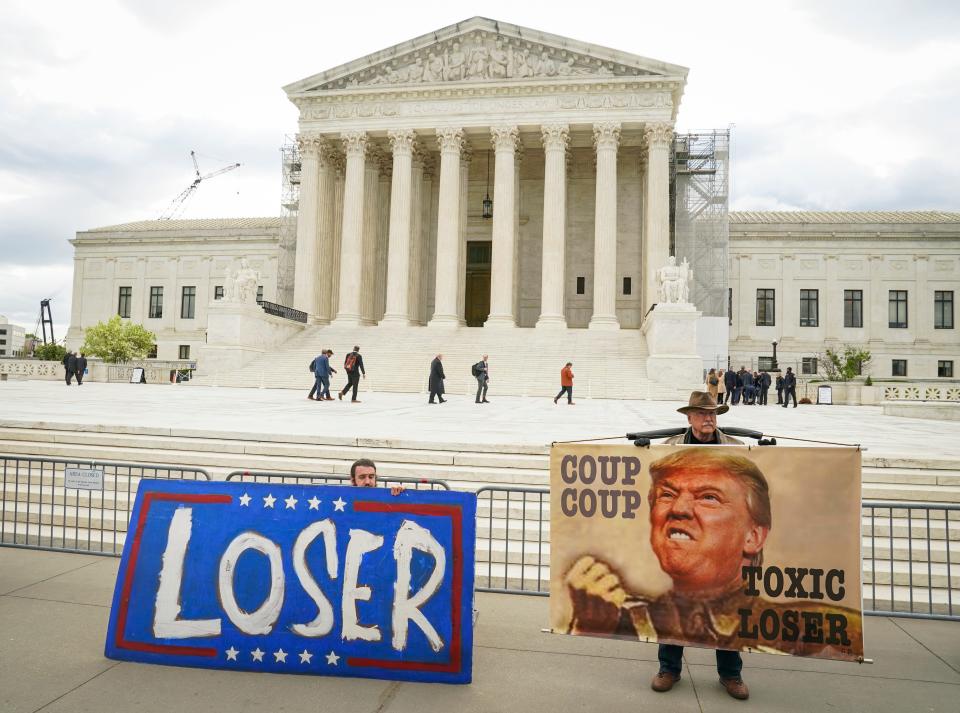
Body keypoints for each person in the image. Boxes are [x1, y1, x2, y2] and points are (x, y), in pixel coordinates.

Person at [565, 433, 861, 701]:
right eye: (667, 494)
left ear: (753, 535)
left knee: (734, 618)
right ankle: (669, 669)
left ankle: (730, 674)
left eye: (709, 497)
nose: (678, 509)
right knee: (671, 623)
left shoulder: (820, 627)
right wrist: (591, 625)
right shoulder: (614, 614)